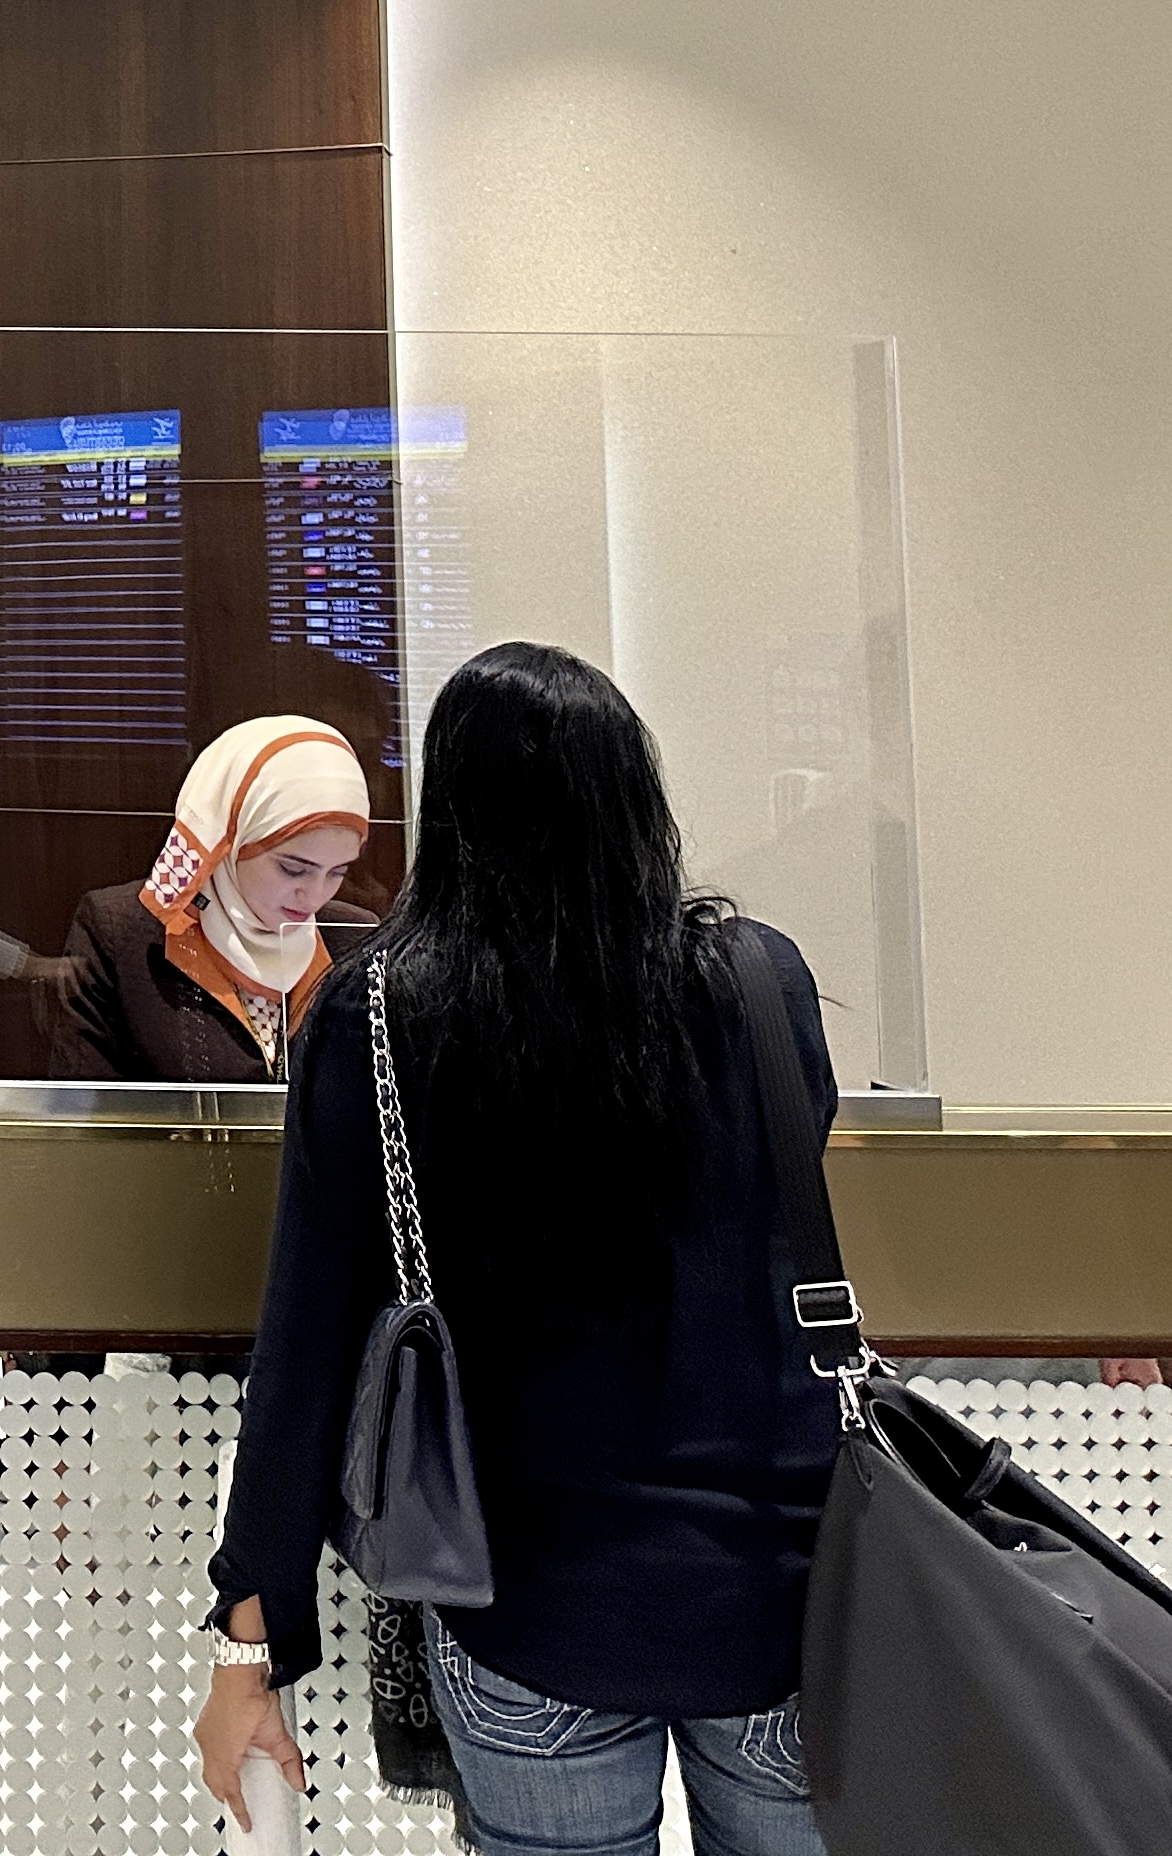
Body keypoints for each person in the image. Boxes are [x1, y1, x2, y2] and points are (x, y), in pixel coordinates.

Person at [192, 642, 839, 1856]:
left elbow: (310, 1340)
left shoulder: (383, 1012)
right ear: (636, 797)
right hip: (783, 1598)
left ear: (454, 811)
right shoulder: (762, 982)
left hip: (529, 1607)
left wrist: (249, 1643)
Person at [54, 713, 383, 1081]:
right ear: (228, 841)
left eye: (338, 872)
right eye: (293, 869)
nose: (315, 895)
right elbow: (84, 1105)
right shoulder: (124, 932)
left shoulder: (353, 936)